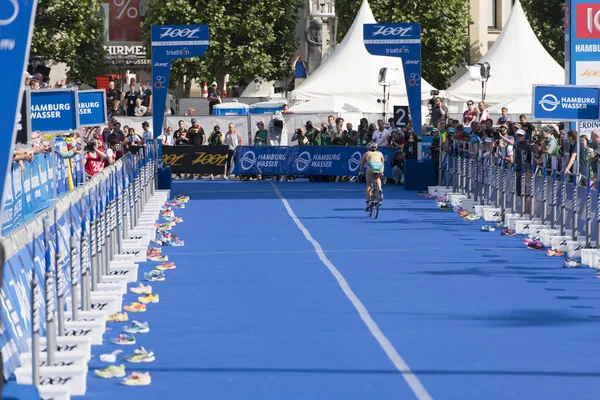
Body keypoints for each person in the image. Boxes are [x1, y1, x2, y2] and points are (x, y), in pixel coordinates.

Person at [359, 142, 385, 212]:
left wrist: (360, 172)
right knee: (378, 178)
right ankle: (380, 190)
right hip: (380, 166)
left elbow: (362, 165)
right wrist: (382, 173)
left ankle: (367, 203)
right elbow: (383, 163)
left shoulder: (366, 153)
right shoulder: (380, 153)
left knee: (369, 184)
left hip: (371, 165)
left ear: (368, 148)